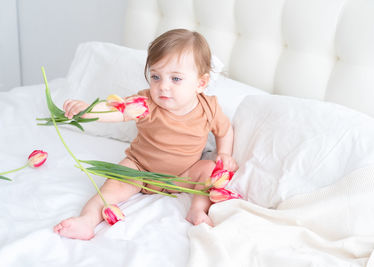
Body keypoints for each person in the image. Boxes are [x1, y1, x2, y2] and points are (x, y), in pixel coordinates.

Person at [53, 29, 238, 240]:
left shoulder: (209, 108)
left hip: (182, 175)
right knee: (113, 186)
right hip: (140, 169)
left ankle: (197, 209)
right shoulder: (146, 103)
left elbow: (225, 130)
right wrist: (90, 111)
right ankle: (87, 220)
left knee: (209, 169)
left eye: (175, 79)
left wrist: (225, 153)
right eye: (156, 77)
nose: (163, 87)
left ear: (200, 83)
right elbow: (119, 110)